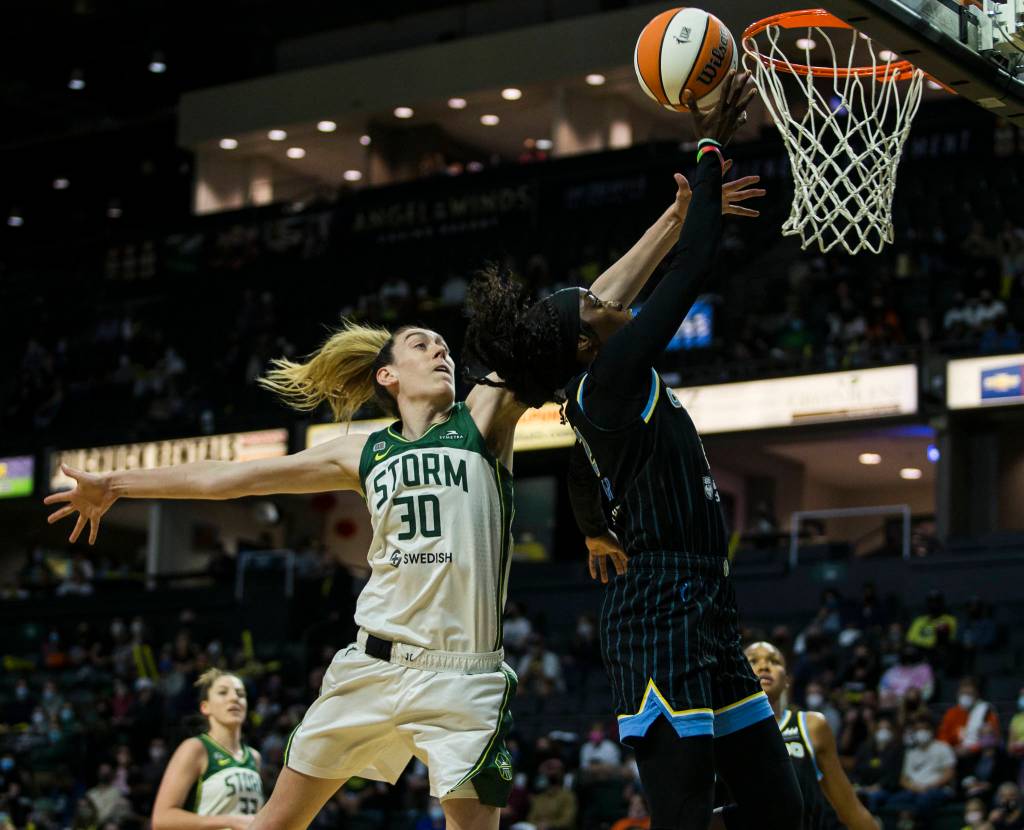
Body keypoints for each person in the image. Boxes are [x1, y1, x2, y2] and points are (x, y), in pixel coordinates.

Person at [462, 71, 799, 830]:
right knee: (681, 814)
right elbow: (697, 264)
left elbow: (585, 464)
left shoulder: (598, 394)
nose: (608, 299)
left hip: (703, 598)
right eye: (593, 304)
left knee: (782, 807)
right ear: (585, 342)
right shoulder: (610, 380)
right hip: (658, 609)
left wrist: (589, 523)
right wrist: (713, 140)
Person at [732, 642, 878, 830]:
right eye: (752, 661)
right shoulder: (721, 730)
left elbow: (850, 809)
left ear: (786, 680)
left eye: (775, 661)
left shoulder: (810, 726)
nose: (764, 666)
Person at [151, 670, 264, 828]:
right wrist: (231, 820)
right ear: (205, 707)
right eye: (223, 692)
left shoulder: (254, 757)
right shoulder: (195, 748)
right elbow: (161, 819)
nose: (234, 698)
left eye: (240, 694)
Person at [884, 714, 955, 820]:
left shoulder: (942, 747)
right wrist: (915, 788)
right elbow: (903, 779)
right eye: (918, 729)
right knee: (891, 801)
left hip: (937, 789)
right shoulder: (911, 752)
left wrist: (929, 786)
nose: (921, 732)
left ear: (931, 731)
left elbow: (950, 773)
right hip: (914, 790)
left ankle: (916, 824)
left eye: (924, 729)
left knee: (924, 800)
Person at [938, 677, 1001, 777]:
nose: (966, 697)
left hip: (977, 755)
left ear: (977, 693)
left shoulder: (985, 710)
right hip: (954, 755)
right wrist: (953, 749)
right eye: (963, 693)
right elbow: (943, 738)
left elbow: (993, 738)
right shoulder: (951, 713)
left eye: (969, 694)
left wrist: (972, 749)